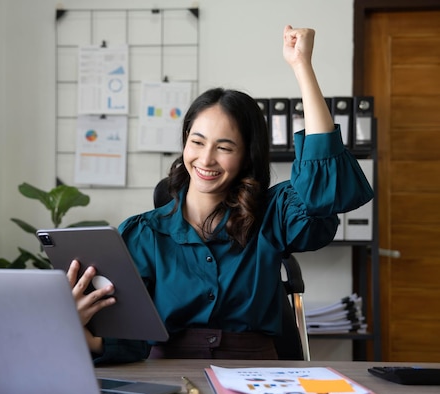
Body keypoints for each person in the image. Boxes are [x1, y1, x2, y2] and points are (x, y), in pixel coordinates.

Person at [68, 25, 374, 363]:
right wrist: (78, 327)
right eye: (197, 142)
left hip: (255, 375)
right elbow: (129, 341)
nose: (206, 159)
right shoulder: (141, 234)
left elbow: (325, 192)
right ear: (185, 141)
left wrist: (302, 66)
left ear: (247, 156)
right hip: (169, 377)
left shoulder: (272, 214)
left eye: (224, 147)